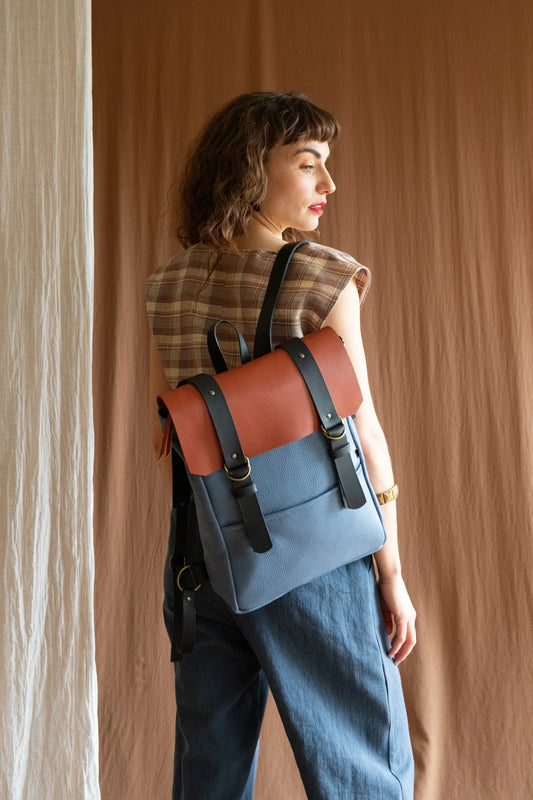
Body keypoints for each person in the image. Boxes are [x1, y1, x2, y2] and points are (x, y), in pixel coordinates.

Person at [146, 91, 416, 800]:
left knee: (209, 771)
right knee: (360, 764)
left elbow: (167, 432)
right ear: (250, 169)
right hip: (313, 551)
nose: (329, 182)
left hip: (203, 555)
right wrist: (389, 573)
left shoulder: (168, 284)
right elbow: (363, 431)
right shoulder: (322, 277)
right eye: (307, 162)